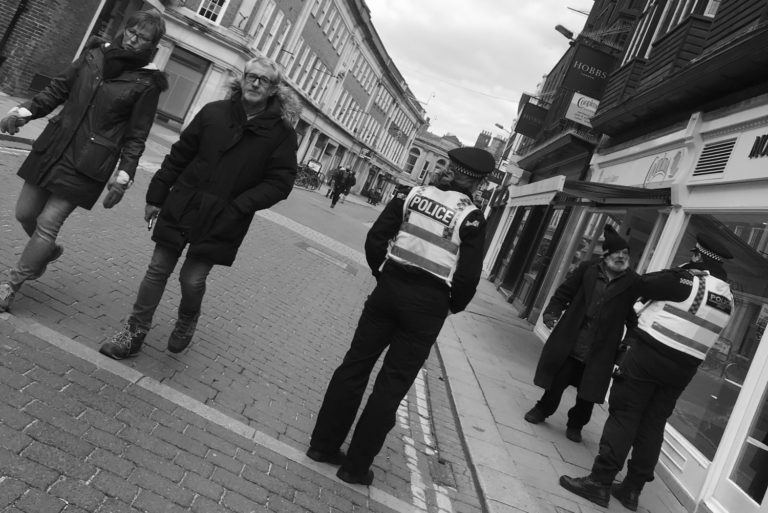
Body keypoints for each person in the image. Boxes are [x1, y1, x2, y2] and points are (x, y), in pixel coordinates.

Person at [306, 147, 494, 486]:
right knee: (391, 386)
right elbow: (468, 277)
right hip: (428, 306)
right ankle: (355, 468)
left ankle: (322, 446)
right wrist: (451, 305)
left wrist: (382, 272)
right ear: (477, 182)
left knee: (354, 366)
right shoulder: (472, 218)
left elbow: (376, 238)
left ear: (449, 168)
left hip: (389, 288)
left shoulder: (411, 194)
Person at [98, 55, 301, 359]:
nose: (256, 83)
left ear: (274, 89)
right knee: (157, 269)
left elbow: (280, 182)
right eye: (251, 76)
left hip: (224, 216)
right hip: (184, 202)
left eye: (264, 80)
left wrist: (239, 206)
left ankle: (188, 317)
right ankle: (134, 332)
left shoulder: (281, 134)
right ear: (242, 79)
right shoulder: (213, 112)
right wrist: (156, 195)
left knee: (191, 279)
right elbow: (180, 155)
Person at [0, 10, 168, 312]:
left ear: (153, 46)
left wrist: (124, 174)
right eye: (132, 32)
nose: (133, 40)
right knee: (25, 214)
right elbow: (58, 89)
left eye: (143, 38)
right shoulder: (95, 53)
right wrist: (25, 112)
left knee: (48, 223)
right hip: (55, 145)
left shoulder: (148, 82)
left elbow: (136, 135)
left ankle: (12, 284)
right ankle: (45, 252)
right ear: (125, 29)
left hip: (89, 162)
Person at [560, 233, 734, 511]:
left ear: (698, 256)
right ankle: (631, 490)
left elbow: (640, 283)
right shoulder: (727, 298)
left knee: (625, 415)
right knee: (653, 424)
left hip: (649, 355)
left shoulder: (684, 280)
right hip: (684, 368)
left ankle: (599, 482)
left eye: (693, 255)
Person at [525, 225, 641, 443]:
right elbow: (564, 293)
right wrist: (552, 313)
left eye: (625, 253)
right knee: (557, 382)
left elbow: (633, 317)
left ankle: (576, 425)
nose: (621, 257)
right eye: (617, 252)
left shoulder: (632, 282)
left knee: (588, 394)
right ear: (606, 254)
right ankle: (542, 410)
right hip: (573, 340)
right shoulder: (588, 269)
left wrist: (628, 342)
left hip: (601, 349)